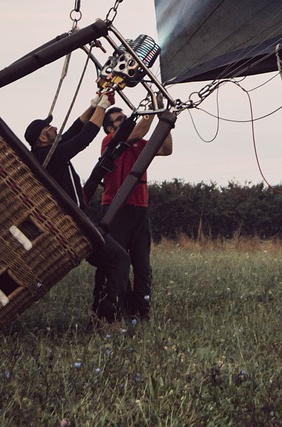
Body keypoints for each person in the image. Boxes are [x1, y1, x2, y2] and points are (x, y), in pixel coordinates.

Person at [24, 90, 130, 321]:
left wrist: (94, 104)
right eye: (49, 129)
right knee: (119, 258)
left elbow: (75, 128)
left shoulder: (45, 152)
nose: (55, 129)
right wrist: (102, 106)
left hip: (75, 220)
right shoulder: (48, 157)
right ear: (43, 137)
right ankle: (107, 318)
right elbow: (83, 138)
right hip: (73, 223)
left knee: (108, 260)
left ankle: (102, 312)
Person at [93, 104, 172, 321]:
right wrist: (154, 110)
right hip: (116, 209)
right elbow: (139, 130)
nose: (126, 120)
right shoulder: (110, 142)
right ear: (110, 129)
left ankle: (140, 311)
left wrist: (165, 122)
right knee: (117, 262)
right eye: (119, 119)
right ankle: (113, 309)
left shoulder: (139, 144)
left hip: (140, 208)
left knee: (142, 264)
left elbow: (166, 148)